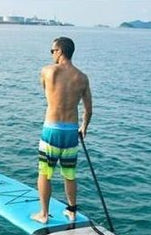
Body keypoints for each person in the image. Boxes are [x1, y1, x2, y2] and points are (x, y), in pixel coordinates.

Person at [31, 37, 92, 224]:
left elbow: (47, 94)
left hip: (52, 130)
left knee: (44, 173)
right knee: (69, 174)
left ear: (60, 51)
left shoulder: (47, 72)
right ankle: (71, 211)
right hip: (71, 132)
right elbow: (89, 110)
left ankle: (44, 214)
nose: (51, 55)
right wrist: (83, 128)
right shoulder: (82, 78)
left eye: (52, 51)